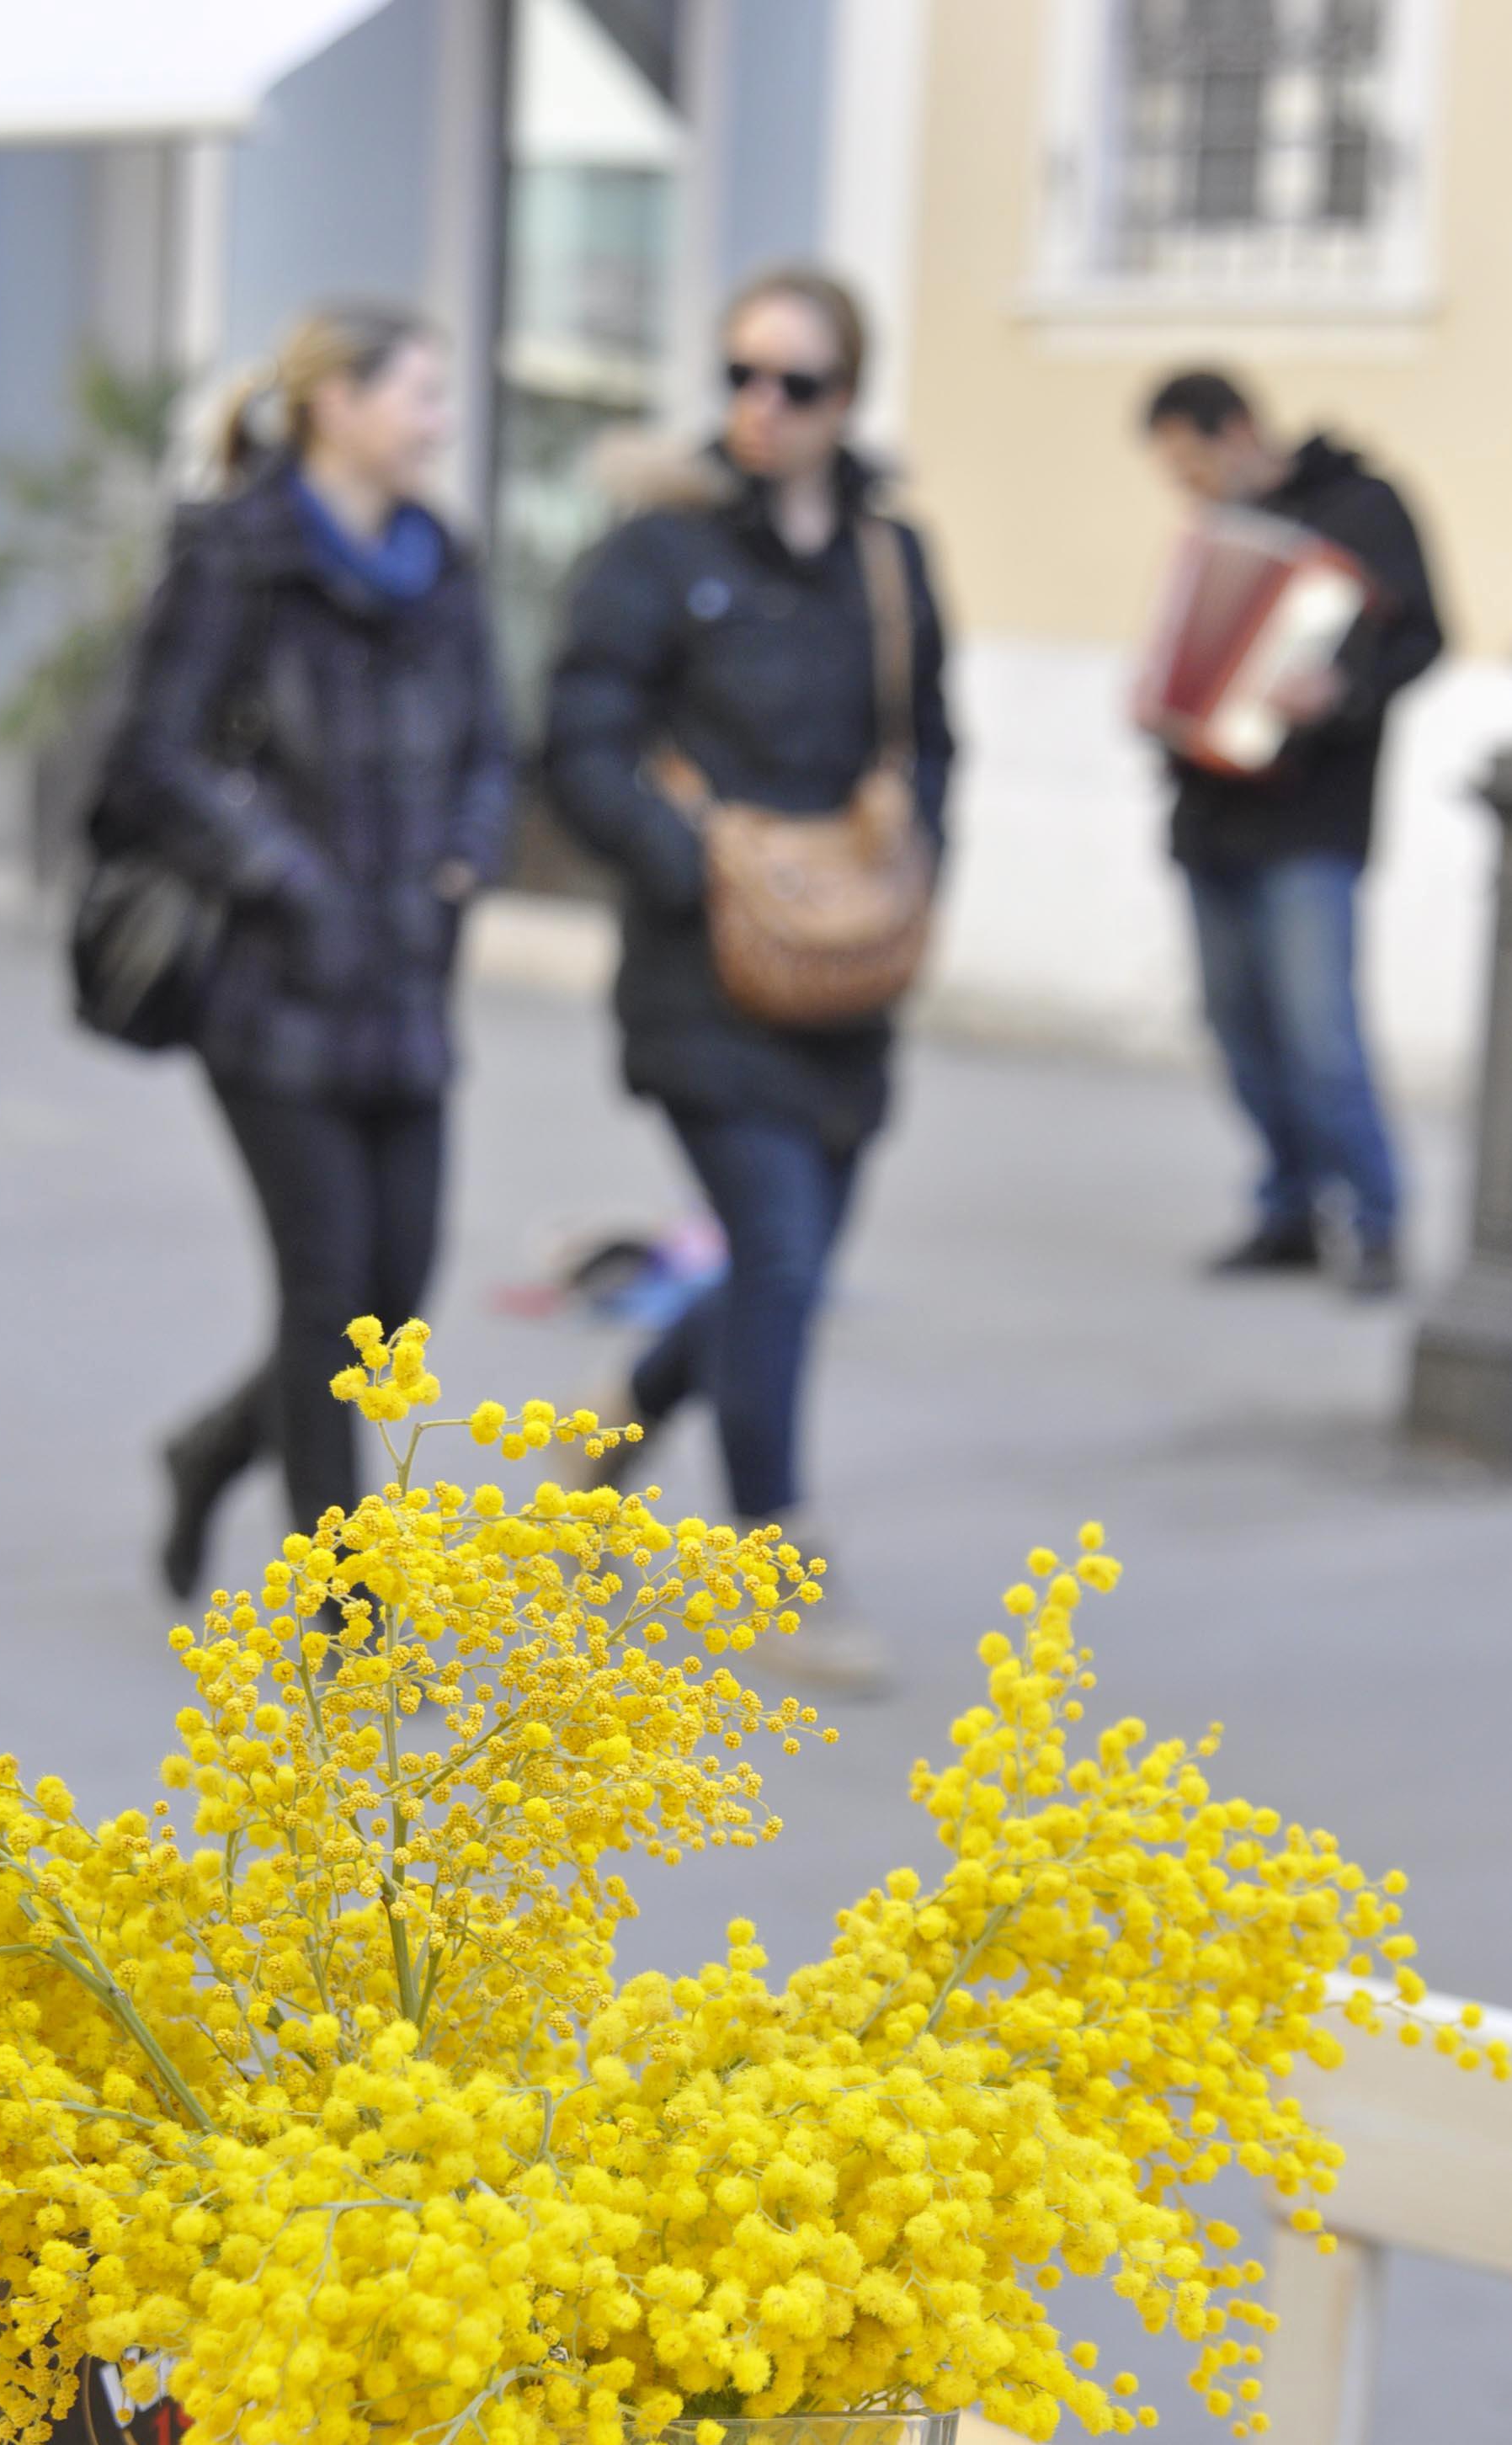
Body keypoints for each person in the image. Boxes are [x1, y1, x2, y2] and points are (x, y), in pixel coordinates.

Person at [543, 265, 955, 1691]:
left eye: (795, 382)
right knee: (774, 1251)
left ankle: (617, 1428)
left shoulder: (889, 559)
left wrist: (914, 861)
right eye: (739, 375)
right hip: (704, 975)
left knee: (793, 1266)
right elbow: (579, 740)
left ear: (849, 398)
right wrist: (688, 865)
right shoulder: (658, 551)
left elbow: (931, 740)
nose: (759, 407)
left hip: (845, 970)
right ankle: (776, 1553)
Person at [96, 301, 514, 1591]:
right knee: (328, 1300)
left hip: (406, 981)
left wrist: (468, 850)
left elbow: (496, 741)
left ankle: (210, 1455)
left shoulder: (440, 561)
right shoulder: (240, 556)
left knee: (389, 1316)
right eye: (420, 396)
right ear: (335, 403)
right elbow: (146, 761)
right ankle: (349, 1612)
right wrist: (284, 874)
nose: (438, 423)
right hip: (270, 994)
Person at [1139, 369, 1444, 1297]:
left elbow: (1426, 638)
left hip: (1312, 820)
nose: (1190, 488)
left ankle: (1377, 1219)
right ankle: (1290, 1209)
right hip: (1213, 818)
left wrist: (1339, 694)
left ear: (1235, 431)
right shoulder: (1216, 536)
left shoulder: (1363, 507)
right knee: (1238, 1030)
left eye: (1193, 465)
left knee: (1321, 1037)